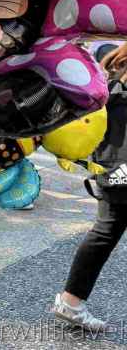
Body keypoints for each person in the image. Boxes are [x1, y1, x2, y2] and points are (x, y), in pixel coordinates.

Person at [52, 43, 127, 332]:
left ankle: (71, 302)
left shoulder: (110, 71)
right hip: (119, 167)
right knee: (104, 232)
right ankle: (70, 302)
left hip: (111, 167)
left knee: (104, 232)